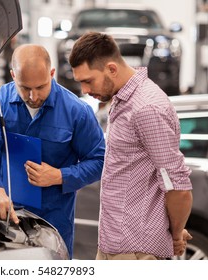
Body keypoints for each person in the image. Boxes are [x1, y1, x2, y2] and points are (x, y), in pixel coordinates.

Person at [0, 44, 105, 258]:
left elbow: (99, 160)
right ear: (13, 75)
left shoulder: (77, 112)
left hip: (54, 222)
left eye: (41, 87)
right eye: (25, 87)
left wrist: (59, 176)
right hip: (5, 215)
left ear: (52, 74)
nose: (33, 96)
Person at [69, 32, 193, 260]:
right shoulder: (122, 98)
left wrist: (175, 235)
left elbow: (178, 187)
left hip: (136, 253)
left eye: (88, 81)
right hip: (114, 247)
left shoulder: (146, 108)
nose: (84, 90)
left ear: (112, 69)